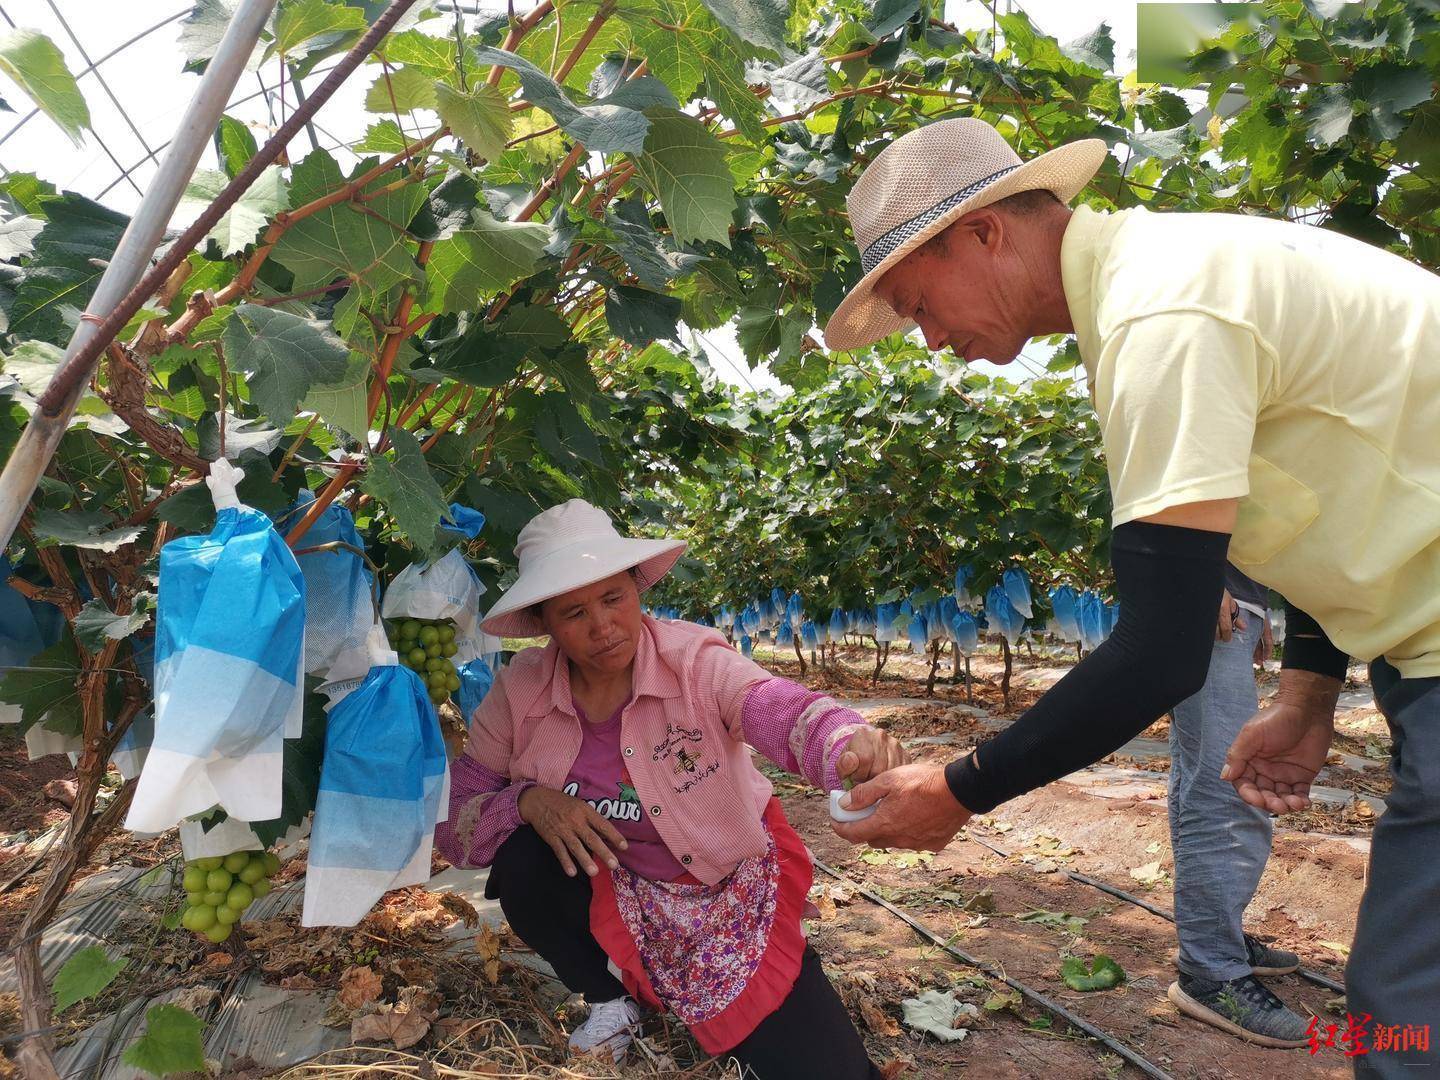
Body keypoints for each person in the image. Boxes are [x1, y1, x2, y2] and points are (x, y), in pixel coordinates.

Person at [821, 117, 1440, 1074]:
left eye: (918, 304)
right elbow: (1337, 497)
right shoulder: (1160, 278)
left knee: (1406, 1023)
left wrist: (959, 790)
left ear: (985, 231)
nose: (932, 339)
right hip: (1420, 653)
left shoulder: (1162, 315)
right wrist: (1310, 693)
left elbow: (1163, 644)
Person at [435, 499, 907, 1077]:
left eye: (614, 598)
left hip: (724, 886)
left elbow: (774, 708)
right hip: (615, 884)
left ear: (638, 590)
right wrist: (529, 800)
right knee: (523, 863)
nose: (603, 626)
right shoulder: (518, 693)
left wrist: (843, 742)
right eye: (574, 612)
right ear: (544, 624)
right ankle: (611, 999)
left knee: (824, 1069)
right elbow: (459, 819)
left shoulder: (694, 662)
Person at [1167, 567, 1308, 1046]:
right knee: (1230, 782)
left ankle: (1213, 936)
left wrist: (1254, 602)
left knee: (1199, 774)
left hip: (1228, 601)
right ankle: (1211, 971)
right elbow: (1164, 494)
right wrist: (1199, 579)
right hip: (1199, 587)